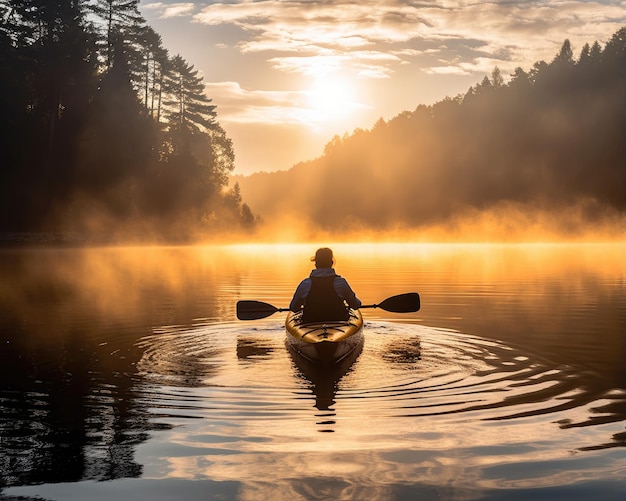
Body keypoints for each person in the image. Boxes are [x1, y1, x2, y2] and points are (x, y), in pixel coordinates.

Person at [289, 247, 362, 323]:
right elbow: (355, 305)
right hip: (338, 321)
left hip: (310, 321)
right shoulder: (341, 283)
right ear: (331, 263)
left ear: (316, 264)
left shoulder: (305, 284)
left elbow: (294, 308)